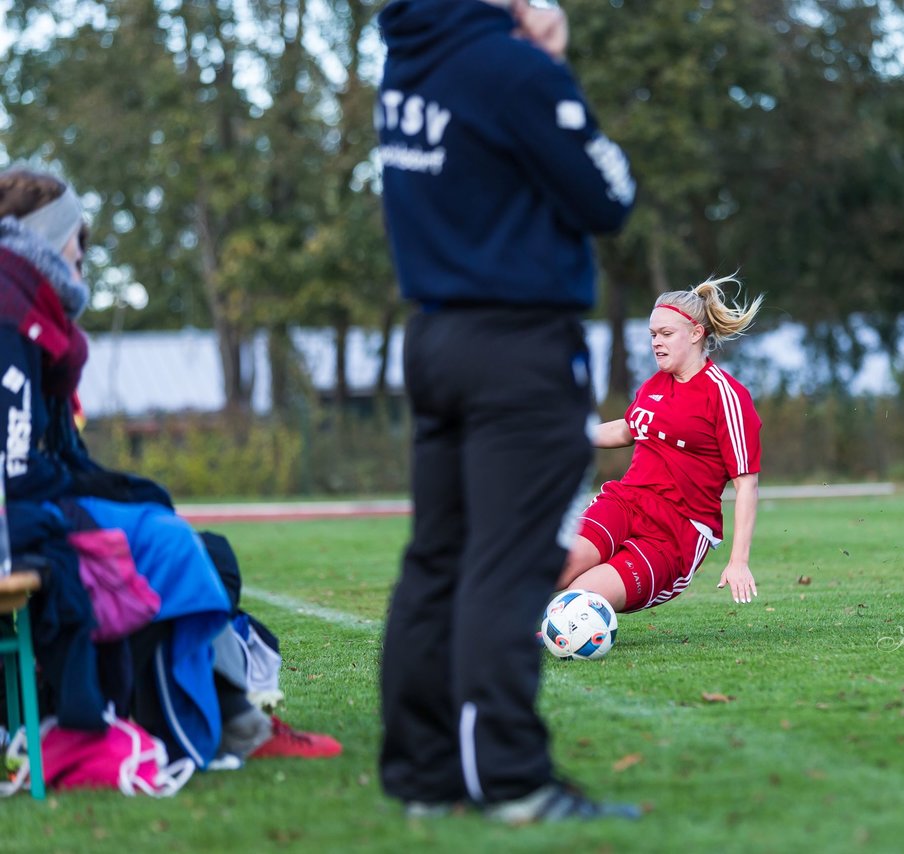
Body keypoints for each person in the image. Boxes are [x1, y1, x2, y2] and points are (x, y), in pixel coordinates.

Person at [374, 0, 638, 824]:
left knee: (437, 562)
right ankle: (513, 779)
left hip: (436, 338)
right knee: (508, 563)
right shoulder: (514, 70)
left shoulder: (409, 56)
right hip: (519, 346)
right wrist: (551, 63)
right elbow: (607, 196)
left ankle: (424, 775)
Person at [0, 167, 339, 772]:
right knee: (168, 547)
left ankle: (226, 714)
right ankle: (208, 723)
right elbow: (16, 467)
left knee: (183, 536)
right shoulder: (13, 308)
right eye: (78, 240)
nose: (83, 255)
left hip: (30, 501)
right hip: (17, 519)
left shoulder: (29, 305)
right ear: (47, 238)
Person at [557, 276, 764, 615]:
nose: (656, 342)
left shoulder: (726, 396)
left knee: (579, 601)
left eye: (666, 334)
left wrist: (738, 561)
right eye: (653, 335)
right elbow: (630, 428)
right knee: (558, 564)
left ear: (696, 333)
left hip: (676, 530)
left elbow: (747, 483)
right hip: (626, 502)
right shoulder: (654, 384)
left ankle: (540, 635)